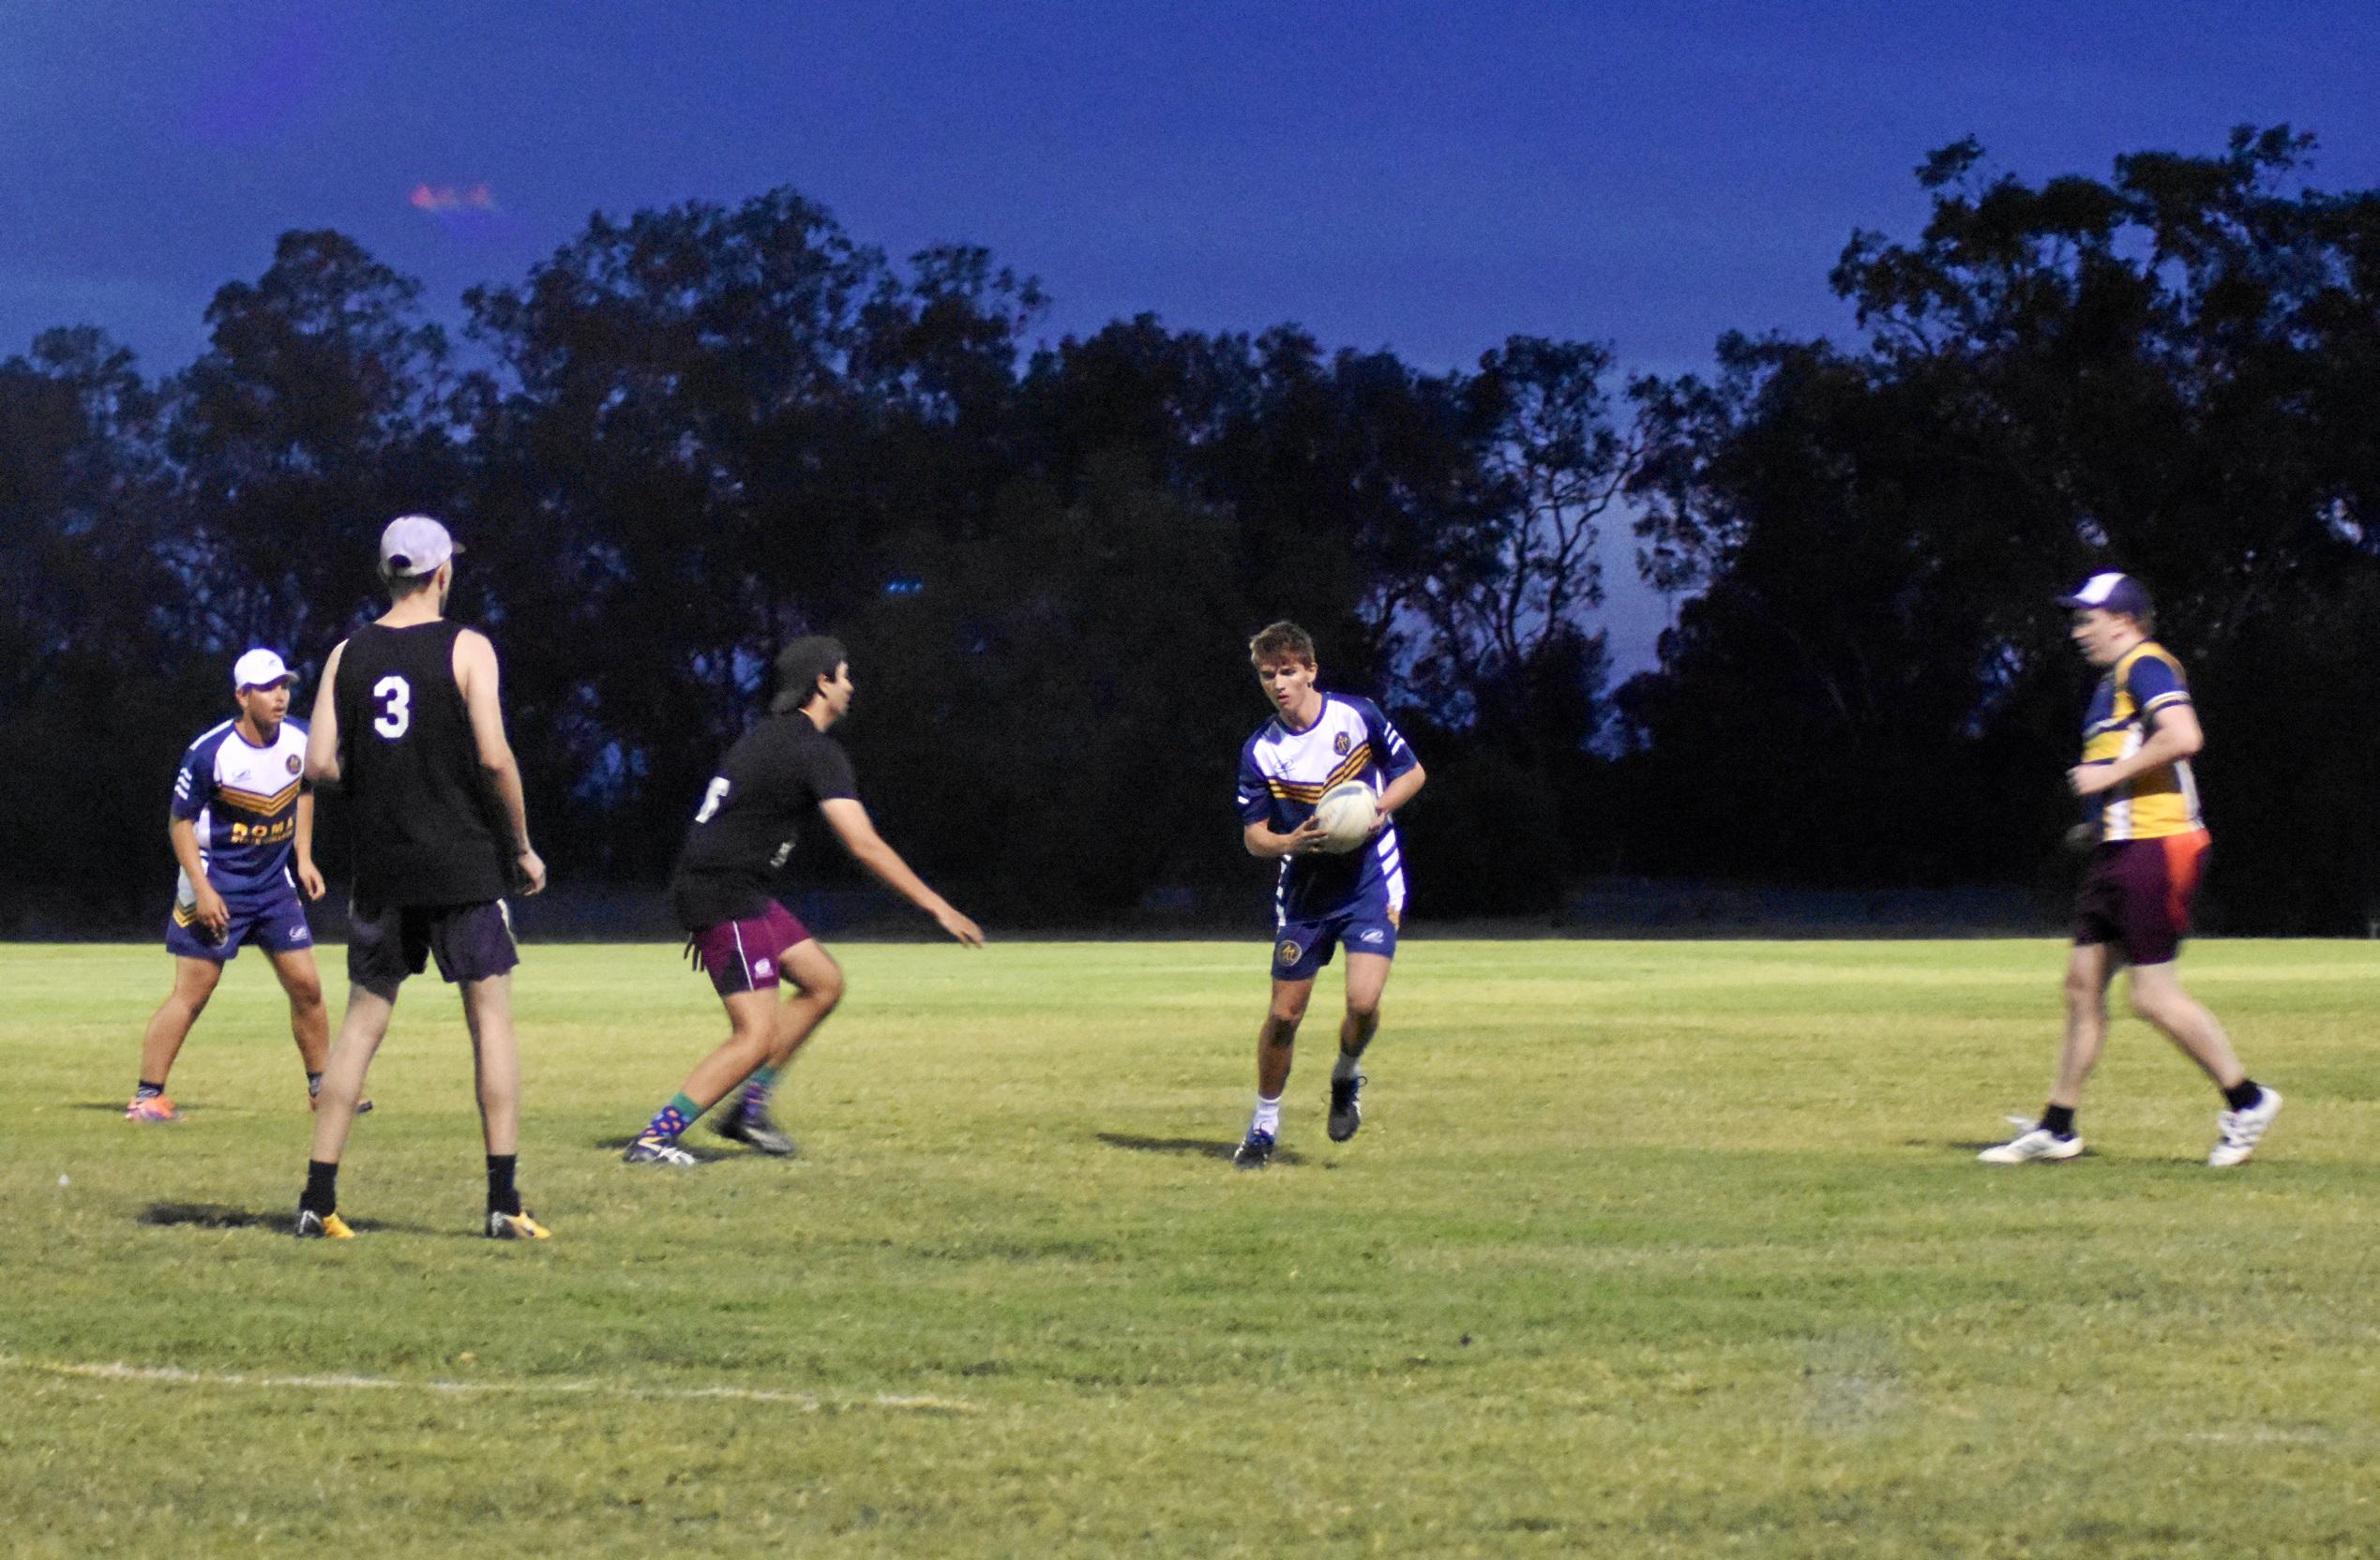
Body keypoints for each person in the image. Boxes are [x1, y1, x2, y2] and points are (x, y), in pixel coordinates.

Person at [622, 636, 985, 1166]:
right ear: (822, 683)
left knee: (823, 983)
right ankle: (654, 1139)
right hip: (726, 892)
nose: (851, 685)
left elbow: (718, 824)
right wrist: (938, 906)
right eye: (845, 675)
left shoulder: (768, 738)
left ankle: (748, 1112)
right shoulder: (814, 750)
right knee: (754, 1034)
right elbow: (863, 843)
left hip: (731, 890)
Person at [293, 515, 550, 1238]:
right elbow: (496, 758)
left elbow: (315, 765)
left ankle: (318, 1199)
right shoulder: (468, 646)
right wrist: (522, 846)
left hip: (380, 868)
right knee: (490, 1022)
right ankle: (502, 1202)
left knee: (359, 1031)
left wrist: (379, 779)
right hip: (463, 864)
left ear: (387, 574)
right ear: (443, 574)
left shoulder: (348, 653)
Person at [1982, 571, 2281, 1167]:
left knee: (2153, 996)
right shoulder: (2112, 683)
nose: (2078, 631)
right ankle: (2058, 1127)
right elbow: (2137, 756)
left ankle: (2247, 1100)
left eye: (2087, 618)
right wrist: (2098, 821)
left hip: (2157, 846)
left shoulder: (2145, 664)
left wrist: (2105, 780)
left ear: (2123, 618)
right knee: (2082, 986)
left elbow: (2184, 735)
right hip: (2122, 847)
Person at [1229, 622, 1425, 1169]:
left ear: (1311, 670)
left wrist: (1376, 811)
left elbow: (1413, 774)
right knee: (1285, 1015)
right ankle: (1264, 1125)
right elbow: (1254, 837)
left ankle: (1345, 1074)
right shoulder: (1261, 752)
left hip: (1369, 882)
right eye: (1269, 675)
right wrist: (1289, 841)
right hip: (1305, 894)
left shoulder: (1356, 716)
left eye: (1288, 672)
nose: (1279, 683)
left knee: (1363, 1004)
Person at [128, 649, 348, 1121]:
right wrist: (203, 889)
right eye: (269, 688)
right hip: (216, 883)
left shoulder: (299, 739)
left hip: (272, 886)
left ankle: (322, 1091)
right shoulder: (210, 753)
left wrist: (303, 858)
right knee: (194, 993)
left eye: (285, 686)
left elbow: (304, 789)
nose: (281, 696)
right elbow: (180, 823)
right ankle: (146, 1098)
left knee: (307, 986)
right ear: (242, 695)